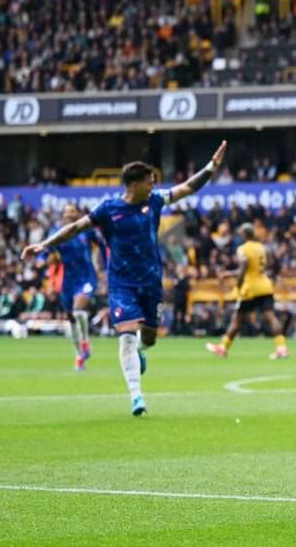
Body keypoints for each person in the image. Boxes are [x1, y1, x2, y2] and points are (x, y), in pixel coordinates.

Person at [21, 141, 228, 416]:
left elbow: (188, 187)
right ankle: (136, 396)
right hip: (122, 284)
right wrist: (44, 245)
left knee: (149, 339)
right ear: (134, 184)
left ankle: (139, 353)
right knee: (127, 337)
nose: (153, 186)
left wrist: (211, 166)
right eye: (149, 182)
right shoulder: (108, 210)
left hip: (151, 282)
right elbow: (75, 228)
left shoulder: (155, 201)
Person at [206, 223, 289, 360]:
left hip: (249, 288)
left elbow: (244, 267)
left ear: (244, 234)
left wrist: (238, 285)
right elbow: (270, 264)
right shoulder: (262, 247)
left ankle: (223, 347)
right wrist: (229, 274)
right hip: (265, 285)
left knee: (237, 320)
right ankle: (282, 348)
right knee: (271, 317)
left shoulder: (243, 249)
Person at [44, 203, 105, 371]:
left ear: (78, 214)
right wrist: (46, 261)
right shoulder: (56, 232)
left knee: (79, 309)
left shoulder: (87, 230)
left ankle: (85, 341)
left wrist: (104, 267)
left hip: (87, 277)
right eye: (66, 212)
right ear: (63, 215)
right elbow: (47, 253)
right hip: (68, 281)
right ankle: (79, 355)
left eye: (72, 211)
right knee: (71, 319)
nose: (69, 214)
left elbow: (102, 244)